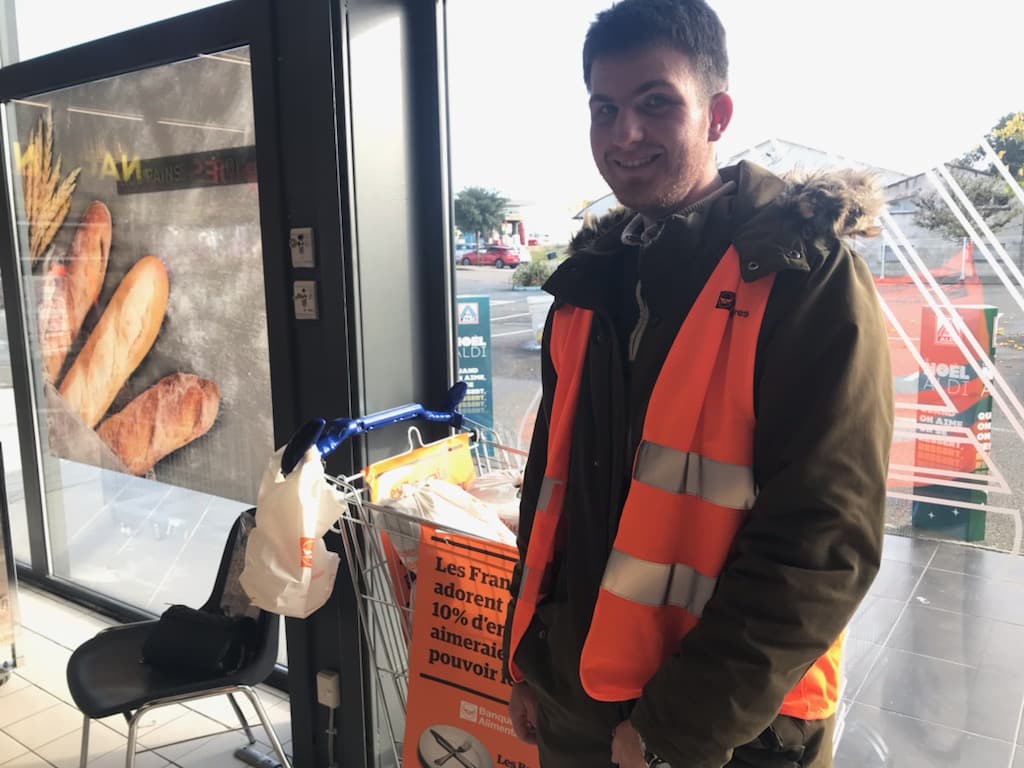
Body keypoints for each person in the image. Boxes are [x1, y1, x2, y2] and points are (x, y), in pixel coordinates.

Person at [501, 1, 894, 767]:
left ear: (717, 115)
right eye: (604, 109)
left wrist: (679, 725)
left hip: (728, 728)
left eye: (657, 104)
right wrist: (529, 660)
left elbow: (824, 537)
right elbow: (553, 501)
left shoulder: (800, 278)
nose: (625, 134)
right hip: (576, 700)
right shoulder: (590, 283)